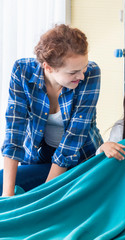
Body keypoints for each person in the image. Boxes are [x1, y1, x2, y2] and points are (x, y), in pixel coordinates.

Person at [1, 24, 103, 197]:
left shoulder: (91, 73)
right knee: (4, 184)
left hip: (81, 158)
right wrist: (7, 194)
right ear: (48, 67)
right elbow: (14, 130)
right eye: (73, 72)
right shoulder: (22, 71)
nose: (81, 76)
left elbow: (73, 139)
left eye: (83, 67)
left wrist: (44, 196)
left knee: (50, 202)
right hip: (40, 156)